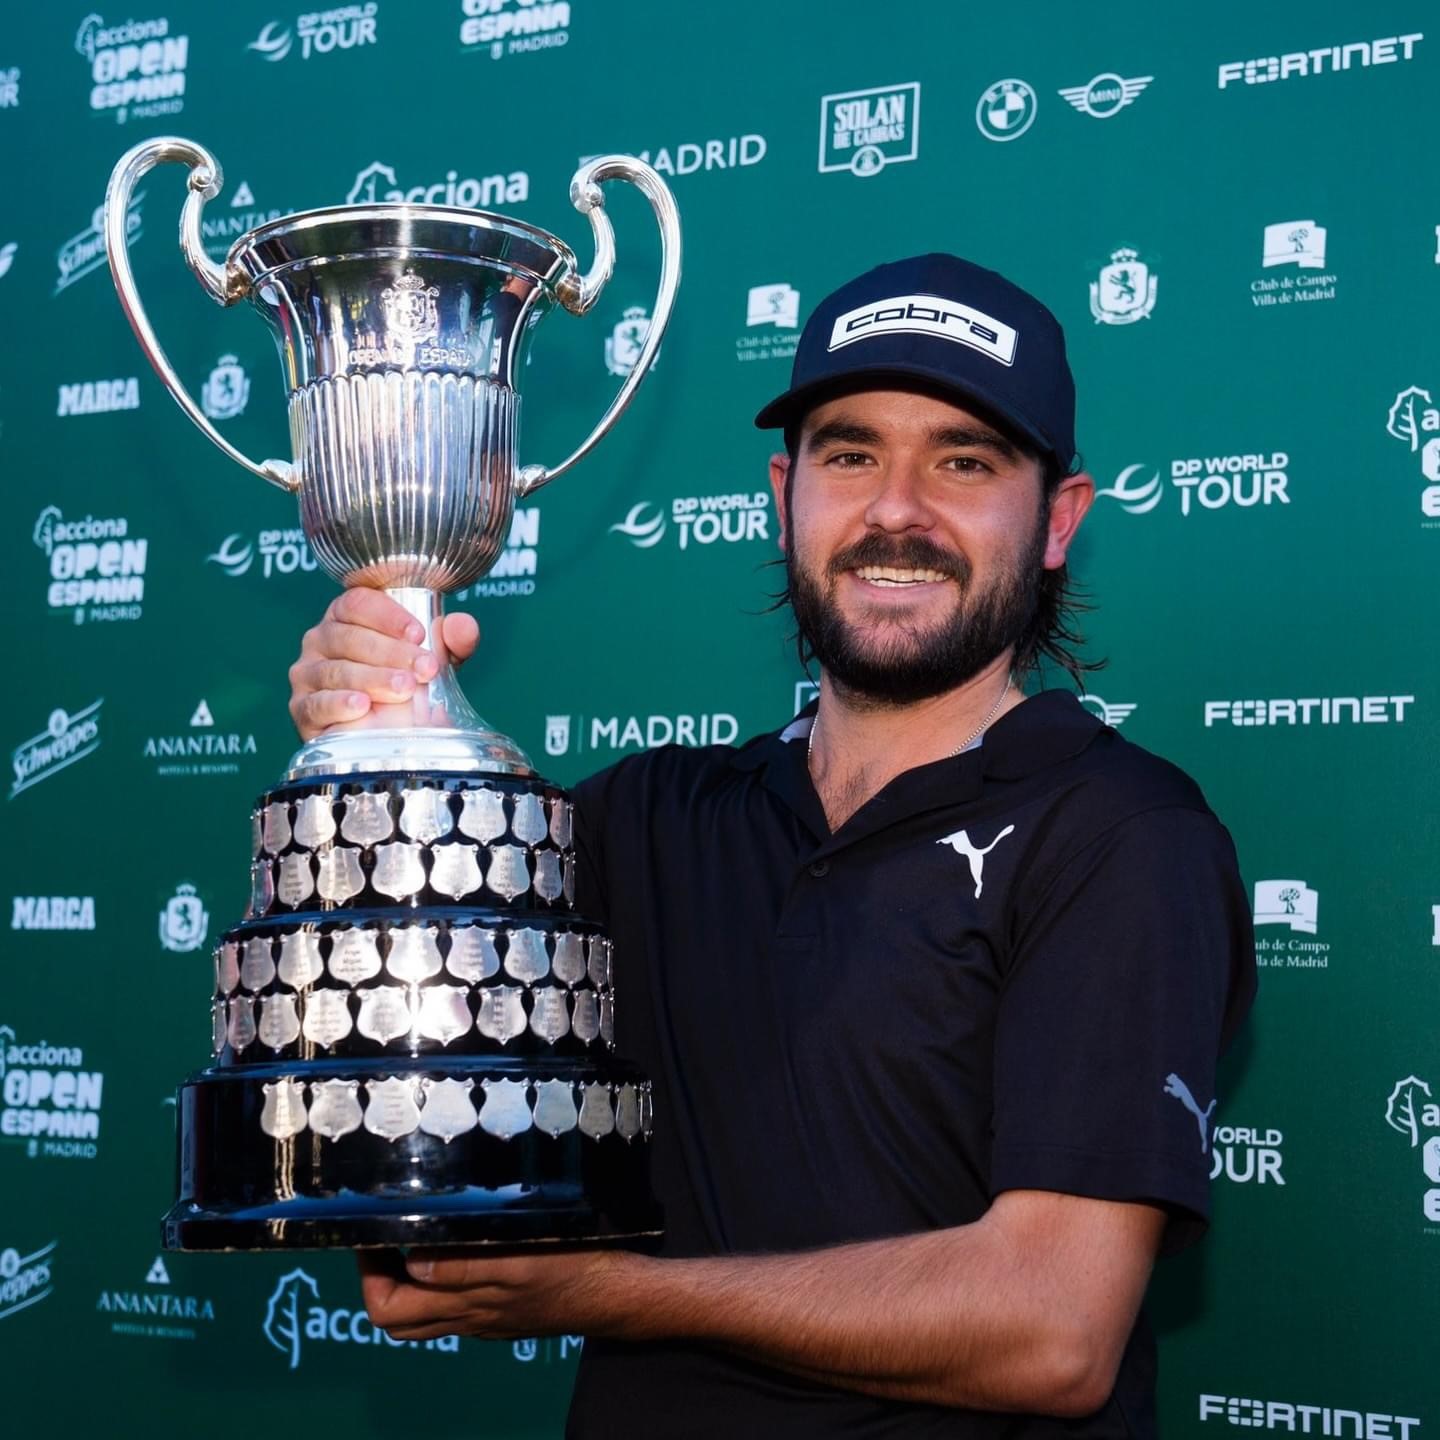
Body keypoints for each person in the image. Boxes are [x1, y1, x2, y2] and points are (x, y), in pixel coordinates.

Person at [287, 254, 1256, 1439]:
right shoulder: (646, 819)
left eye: (964, 460)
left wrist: (611, 1294)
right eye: (852, 454)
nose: (897, 509)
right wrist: (375, 751)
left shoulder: (1121, 838)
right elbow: (388, 1096)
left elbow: (1052, 1329)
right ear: (783, 493)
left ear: (1058, 521)